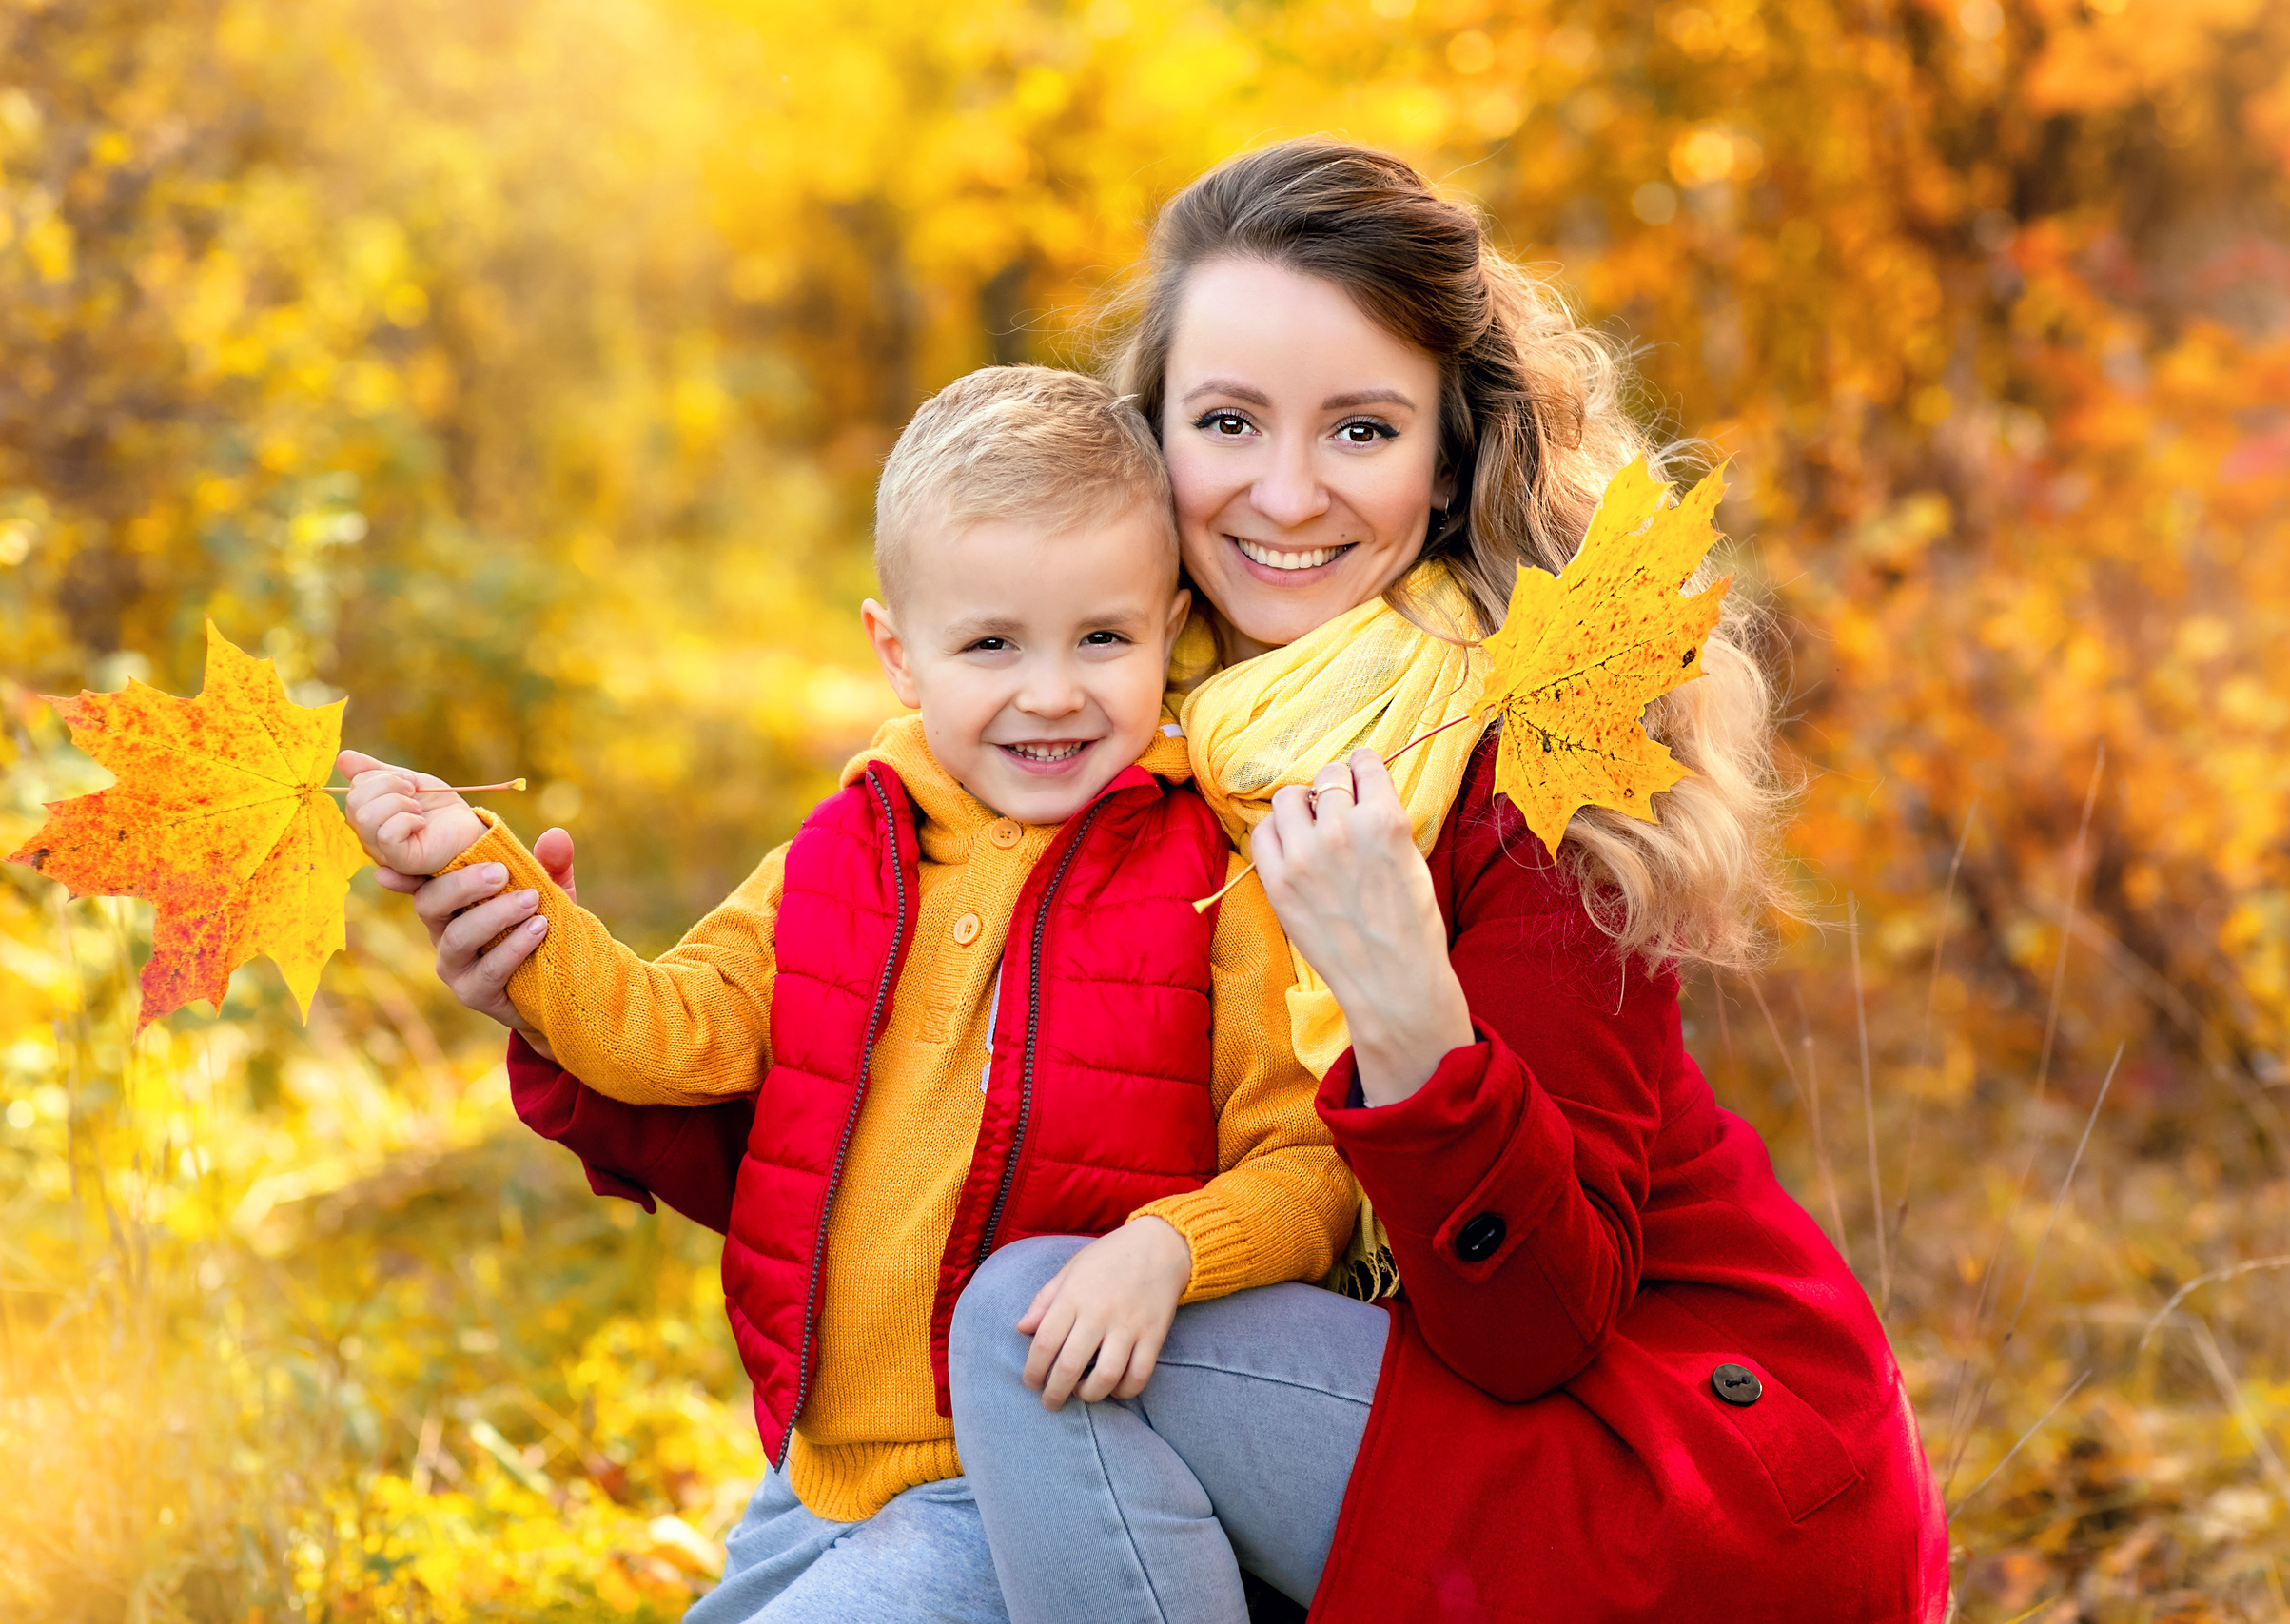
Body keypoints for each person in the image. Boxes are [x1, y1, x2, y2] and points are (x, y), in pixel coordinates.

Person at [941, 140, 1950, 1623]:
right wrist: (562, 1011)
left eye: (1360, 429)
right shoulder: (1114, 721)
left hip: (1664, 1471)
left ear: (1449, 456)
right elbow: (888, 1103)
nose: (1285, 494)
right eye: (1228, 421)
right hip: (1361, 1394)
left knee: (1027, 1324)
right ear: (1148, 438)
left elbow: (1541, 1327)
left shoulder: (1530, 759)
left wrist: (1411, 1008)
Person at [341, 364, 1358, 1623]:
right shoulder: (836, 860)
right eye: (991, 643)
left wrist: (1169, 1250)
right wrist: (500, 887)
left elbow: (1308, 1160)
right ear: (898, 653)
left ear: (1171, 627)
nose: (1051, 691)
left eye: (1103, 637)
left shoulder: (1214, 875)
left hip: (1017, 1475)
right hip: (811, 1471)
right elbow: (672, 1036)